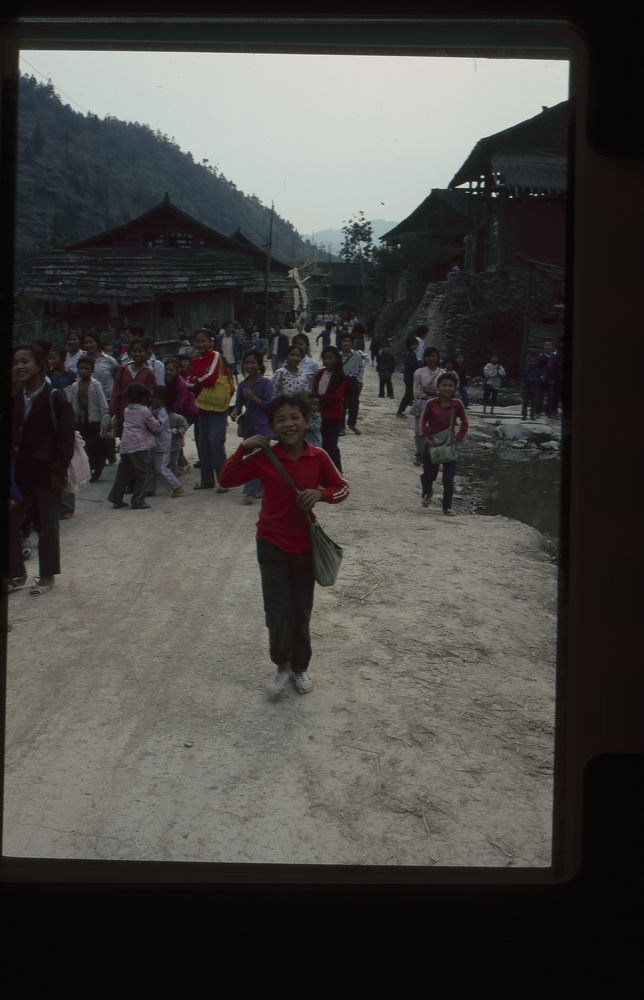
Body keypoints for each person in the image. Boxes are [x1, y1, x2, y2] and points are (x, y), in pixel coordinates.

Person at [218, 393, 350, 698]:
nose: (288, 424)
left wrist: (321, 494)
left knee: (301, 611)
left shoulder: (319, 457)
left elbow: (342, 488)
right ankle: (282, 666)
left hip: (305, 546)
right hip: (271, 543)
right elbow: (227, 477)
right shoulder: (264, 458)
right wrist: (243, 446)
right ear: (271, 426)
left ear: (306, 421)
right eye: (280, 419)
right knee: (278, 610)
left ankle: (300, 668)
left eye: (295, 417)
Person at [8, 344, 75, 595]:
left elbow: (65, 438)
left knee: (47, 525)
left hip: (48, 475)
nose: (19, 367)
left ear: (40, 364)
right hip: (20, 475)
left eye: (24, 361)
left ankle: (46, 575)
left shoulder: (55, 397)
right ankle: (15, 574)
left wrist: (58, 469)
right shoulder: (15, 399)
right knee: (12, 521)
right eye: (16, 362)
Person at [186, 328, 235, 492]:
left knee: (216, 444)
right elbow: (189, 384)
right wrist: (198, 381)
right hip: (202, 407)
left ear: (211, 341)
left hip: (217, 407)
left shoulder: (215, 356)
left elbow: (210, 378)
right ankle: (207, 480)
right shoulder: (195, 360)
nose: (200, 344)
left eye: (203, 341)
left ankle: (224, 481)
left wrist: (196, 380)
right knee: (204, 445)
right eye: (197, 341)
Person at [419, 372, 468, 515]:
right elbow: (423, 422)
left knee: (448, 478)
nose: (447, 388)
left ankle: (447, 507)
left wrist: (458, 438)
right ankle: (428, 492)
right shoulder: (431, 403)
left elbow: (465, 423)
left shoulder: (457, 404)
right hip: (431, 444)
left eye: (450, 386)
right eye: (444, 385)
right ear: (438, 387)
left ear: (455, 388)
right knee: (428, 475)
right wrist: (426, 439)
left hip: (448, 445)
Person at [229, 350, 274, 504]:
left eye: (253, 362)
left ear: (260, 364)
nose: (249, 365)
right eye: (246, 363)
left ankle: (249, 493)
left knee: (254, 458)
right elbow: (239, 404)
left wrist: (254, 398)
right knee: (256, 459)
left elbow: (269, 405)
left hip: (263, 428)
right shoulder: (242, 384)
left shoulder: (267, 383)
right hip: (248, 427)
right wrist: (235, 412)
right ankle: (263, 488)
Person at [107, 382, 158, 510]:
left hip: (126, 447)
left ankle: (116, 499)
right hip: (139, 447)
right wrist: (157, 420)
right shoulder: (145, 411)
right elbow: (155, 427)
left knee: (123, 475)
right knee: (145, 474)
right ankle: (138, 501)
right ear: (143, 397)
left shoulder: (127, 410)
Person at [65, 356, 109, 483]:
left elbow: (103, 404)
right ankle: (87, 469)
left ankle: (98, 467)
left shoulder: (96, 385)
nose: (83, 371)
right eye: (81, 368)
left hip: (95, 420)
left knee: (96, 445)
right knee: (84, 445)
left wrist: (104, 420)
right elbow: (71, 403)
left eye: (87, 368)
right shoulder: (75, 386)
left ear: (92, 370)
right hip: (80, 420)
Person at [108, 337, 157, 433]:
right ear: (130, 352)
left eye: (141, 351)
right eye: (134, 351)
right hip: (124, 413)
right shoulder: (123, 370)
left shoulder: (149, 372)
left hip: (142, 416)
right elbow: (116, 392)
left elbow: (152, 395)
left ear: (147, 353)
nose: (137, 354)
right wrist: (112, 413)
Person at [312, 346, 346, 474]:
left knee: (331, 445)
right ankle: (323, 471)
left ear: (336, 359)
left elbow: (337, 397)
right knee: (320, 444)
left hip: (333, 415)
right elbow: (314, 390)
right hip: (320, 413)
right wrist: (315, 400)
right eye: (325, 358)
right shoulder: (320, 373)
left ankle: (338, 472)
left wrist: (318, 399)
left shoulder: (341, 377)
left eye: (330, 358)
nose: (327, 361)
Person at [146, 387, 184, 499]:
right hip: (152, 444)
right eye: (152, 397)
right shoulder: (150, 409)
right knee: (151, 467)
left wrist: (151, 419)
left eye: (158, 398)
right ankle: (151, 488)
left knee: (161, 468)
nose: (154, 400)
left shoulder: (163, 412)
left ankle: (177, 486)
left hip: (162, 445)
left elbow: (156, 427)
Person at [412, 347, 446, 466]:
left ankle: (434, 454)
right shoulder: (419, 372)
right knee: (418, 431)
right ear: (425, 358)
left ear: (437, 357)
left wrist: (431, 393)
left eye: (434, 356)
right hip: (422, 405)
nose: (431, 359)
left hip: (438, 406)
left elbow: (444, 391)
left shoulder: (442, 373)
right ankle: (419, 455)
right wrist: (432, 397)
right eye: (428, 356)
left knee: (435, 431)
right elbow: (417, 393)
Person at [339, 332, 362, 435]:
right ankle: (341, 427)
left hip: (353, 380)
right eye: (344, 341)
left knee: (354, 403)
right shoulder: (338, 356)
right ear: (341, 343)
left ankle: (352, 424)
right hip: (342, 381)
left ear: (352, 343)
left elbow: (361, 367)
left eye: (348, 341)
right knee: (342, 403)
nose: (346, 343)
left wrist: (359, 381)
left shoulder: (357, 355)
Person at [396, 338, 422, 417]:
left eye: (416, 344)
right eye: (413, 344)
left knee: (410, 395)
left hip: (409, 377)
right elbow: (416, 366)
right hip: (410, 378)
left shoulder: (411, 354)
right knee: (408, 395)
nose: (415, 346)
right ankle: (400, 411)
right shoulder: (411, 355)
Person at [536, 339, 557, 418]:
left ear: (552, 347)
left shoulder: (555, 357)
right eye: (546, 345)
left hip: (551, 379)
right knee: (540, 396)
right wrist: (540, 376)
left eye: (549, 345)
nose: (547, 347)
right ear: (544, 347)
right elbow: (538, 368)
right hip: (543, 380)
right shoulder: (541, 357)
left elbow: (557, 368)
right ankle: (538, 412)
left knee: (550, 397)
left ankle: (549, 413)